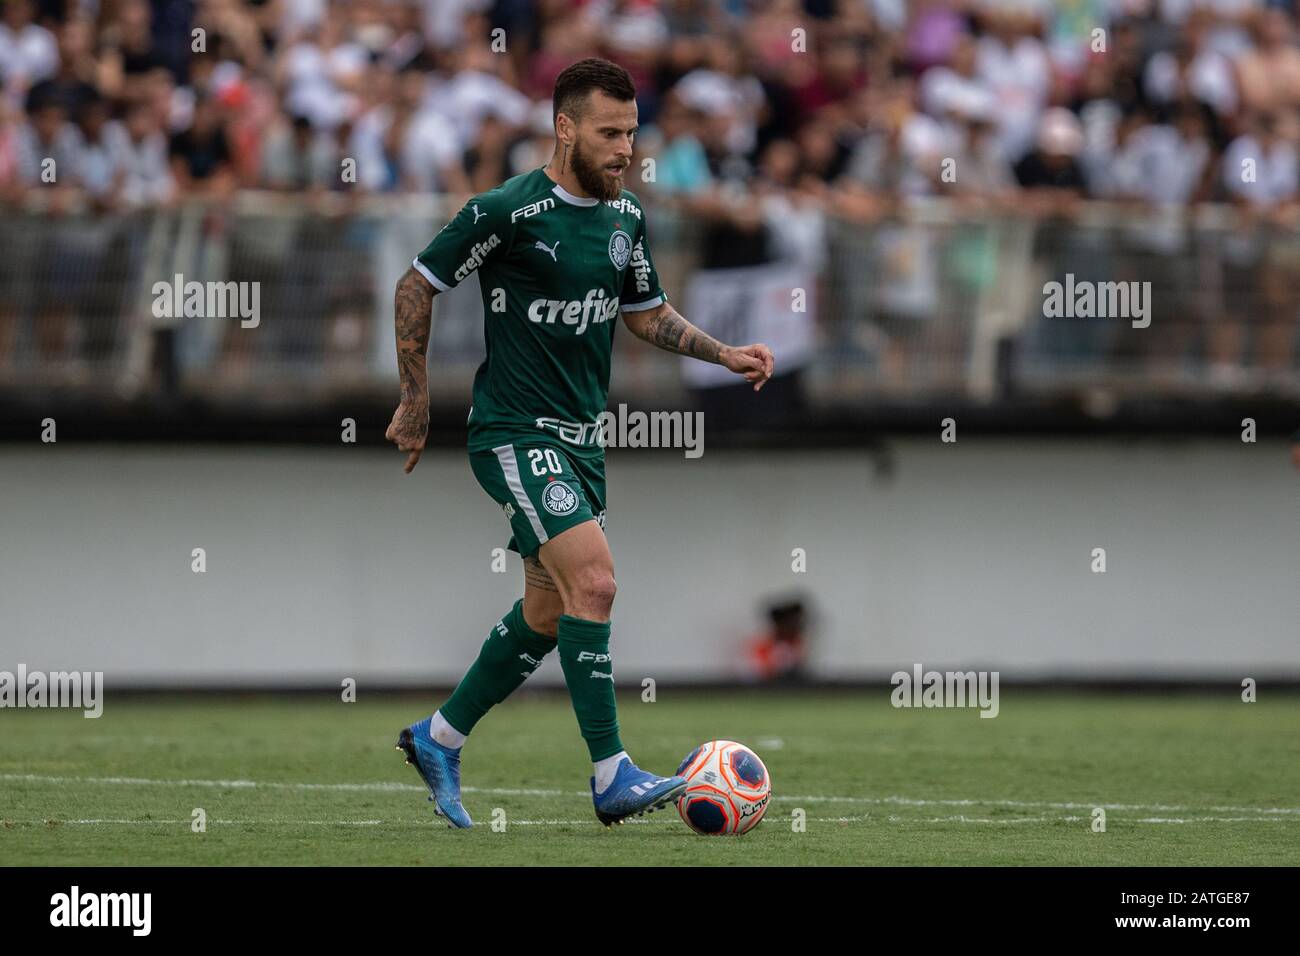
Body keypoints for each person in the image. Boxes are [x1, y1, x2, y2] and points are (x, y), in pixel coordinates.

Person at [385, 58, 775, 828]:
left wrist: (722, 353)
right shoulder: (507, 212)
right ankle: (611, 774)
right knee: (594, 584)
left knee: (547, 611)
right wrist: (415, 399)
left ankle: (438, 737)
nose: (626, 149)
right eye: (609, 133)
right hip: (513, 432)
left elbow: (645, 314)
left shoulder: (625, 217)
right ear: (565, 129)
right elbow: (416, 283)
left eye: (631, 133)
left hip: (581, 442)